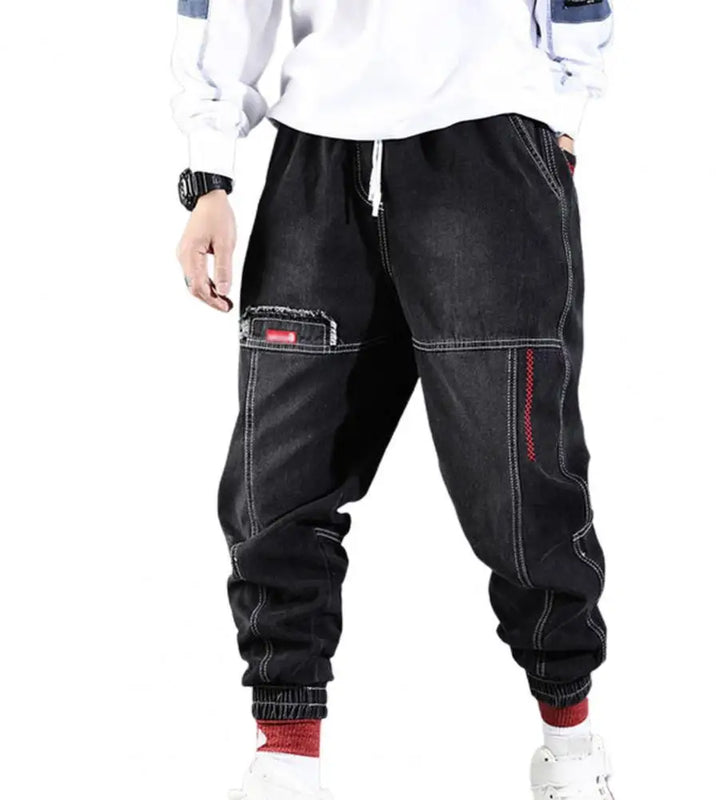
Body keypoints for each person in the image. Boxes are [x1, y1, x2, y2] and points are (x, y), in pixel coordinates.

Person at [172, 2, 615, 798]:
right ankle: (286, 756)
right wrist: (208, 173)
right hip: (316, 159)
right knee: (275, 478)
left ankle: (570, 742)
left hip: (487, 141)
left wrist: (564, 107)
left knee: (518, 483)